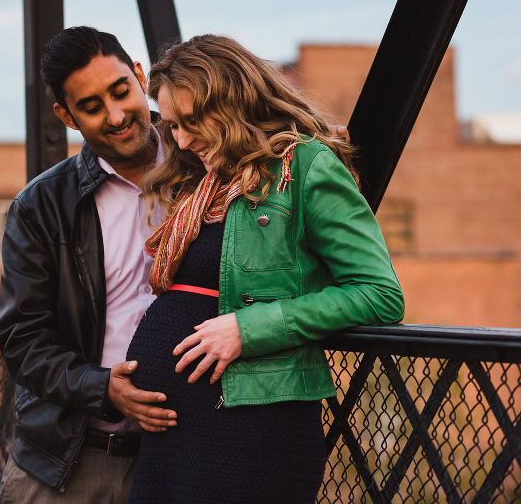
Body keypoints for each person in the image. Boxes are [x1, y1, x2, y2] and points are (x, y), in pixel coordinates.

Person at [125, 34, 405, 504]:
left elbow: (379, 293)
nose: (183, 139)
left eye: (193, 121)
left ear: (235, 101)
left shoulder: (306, 167)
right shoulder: (206, 180)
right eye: (172, 126)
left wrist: (248, 329)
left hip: (250, 426)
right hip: (176, 429)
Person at [0, 26, 178, 503]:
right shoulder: (41, 206)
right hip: (70, 464)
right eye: (92, 107)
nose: (117, 115)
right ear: (67, 116)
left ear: (140, 76)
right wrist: (103, 389)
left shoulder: (207, 166)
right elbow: (22, 339)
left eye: (121, 91)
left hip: (183, 453)